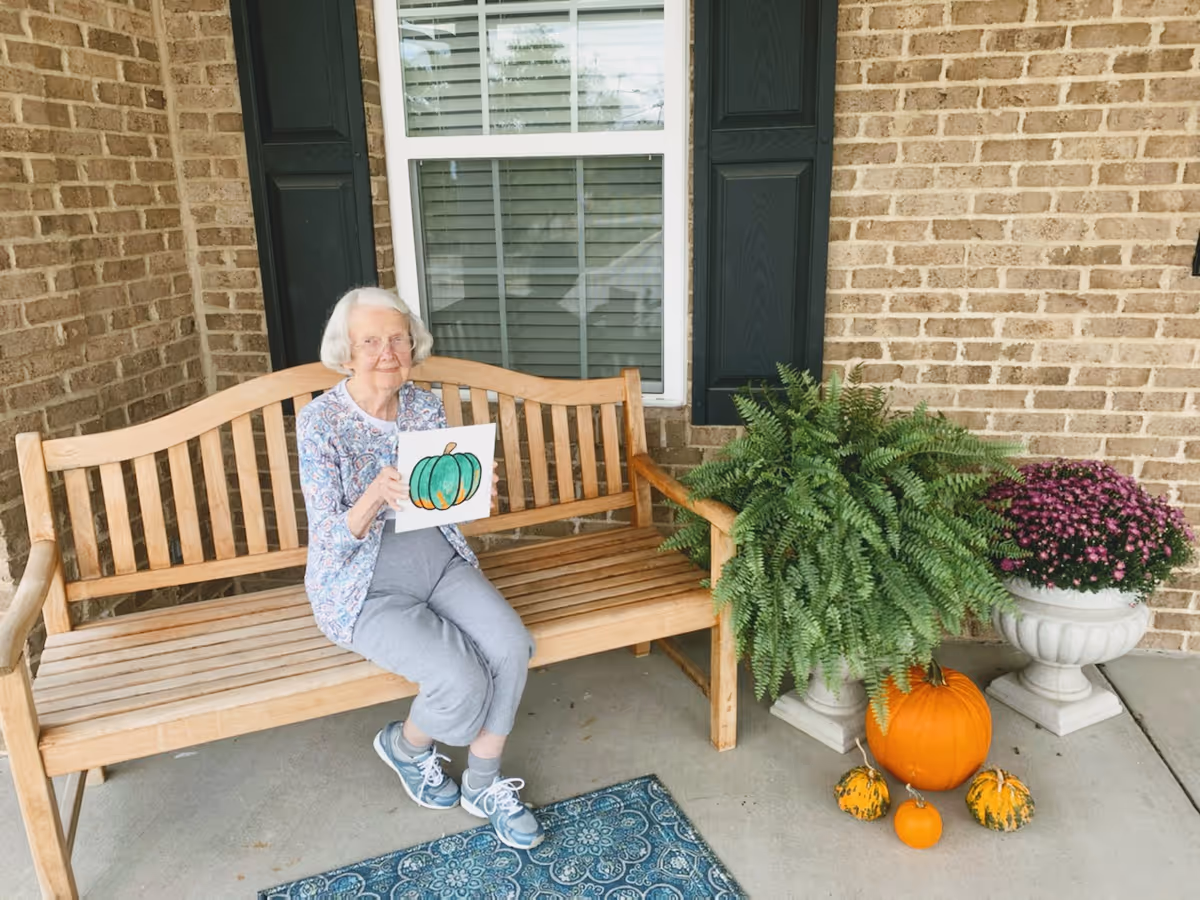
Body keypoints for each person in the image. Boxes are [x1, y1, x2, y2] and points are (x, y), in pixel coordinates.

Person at [296, 286, 544, 850]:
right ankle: (406, 747)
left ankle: (482, 782)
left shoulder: (424, 405)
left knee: (510, 646)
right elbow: (330, 539)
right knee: (460, 679)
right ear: (346, 351)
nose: (387, 352)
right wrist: (372, 497)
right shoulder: (320, 423)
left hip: (436, 560)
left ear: (413, 345)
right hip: (362, 586)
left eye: (398, 339)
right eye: (371, 341)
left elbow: (444, 500)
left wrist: (476, 488)